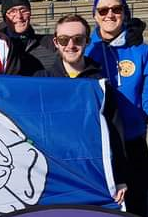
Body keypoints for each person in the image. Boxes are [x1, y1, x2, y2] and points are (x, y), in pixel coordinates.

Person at [34, 14, 127, 204]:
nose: (70, 45)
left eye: (78, 39)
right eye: (63, 40)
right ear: (56, 42)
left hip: (92, 172)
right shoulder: (41, 82)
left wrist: (119, 177)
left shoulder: (100, 84)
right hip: (55, 175)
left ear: (87, 41)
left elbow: (115, 132)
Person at [85, 0, 148, 217]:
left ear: (125, 12)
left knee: (137, 203)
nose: (110, 14)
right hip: (100, 143)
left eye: (116, 9)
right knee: (106, 207)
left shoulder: (142, 51)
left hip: (133, 140)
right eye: (103, 10)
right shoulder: (86, 51)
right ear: (95, 15)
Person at [0, 0, 58, 76]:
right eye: (12, 11)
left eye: (23, 10)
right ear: (5, 17)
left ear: (30, 13)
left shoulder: (49, 44)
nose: (19, 16)